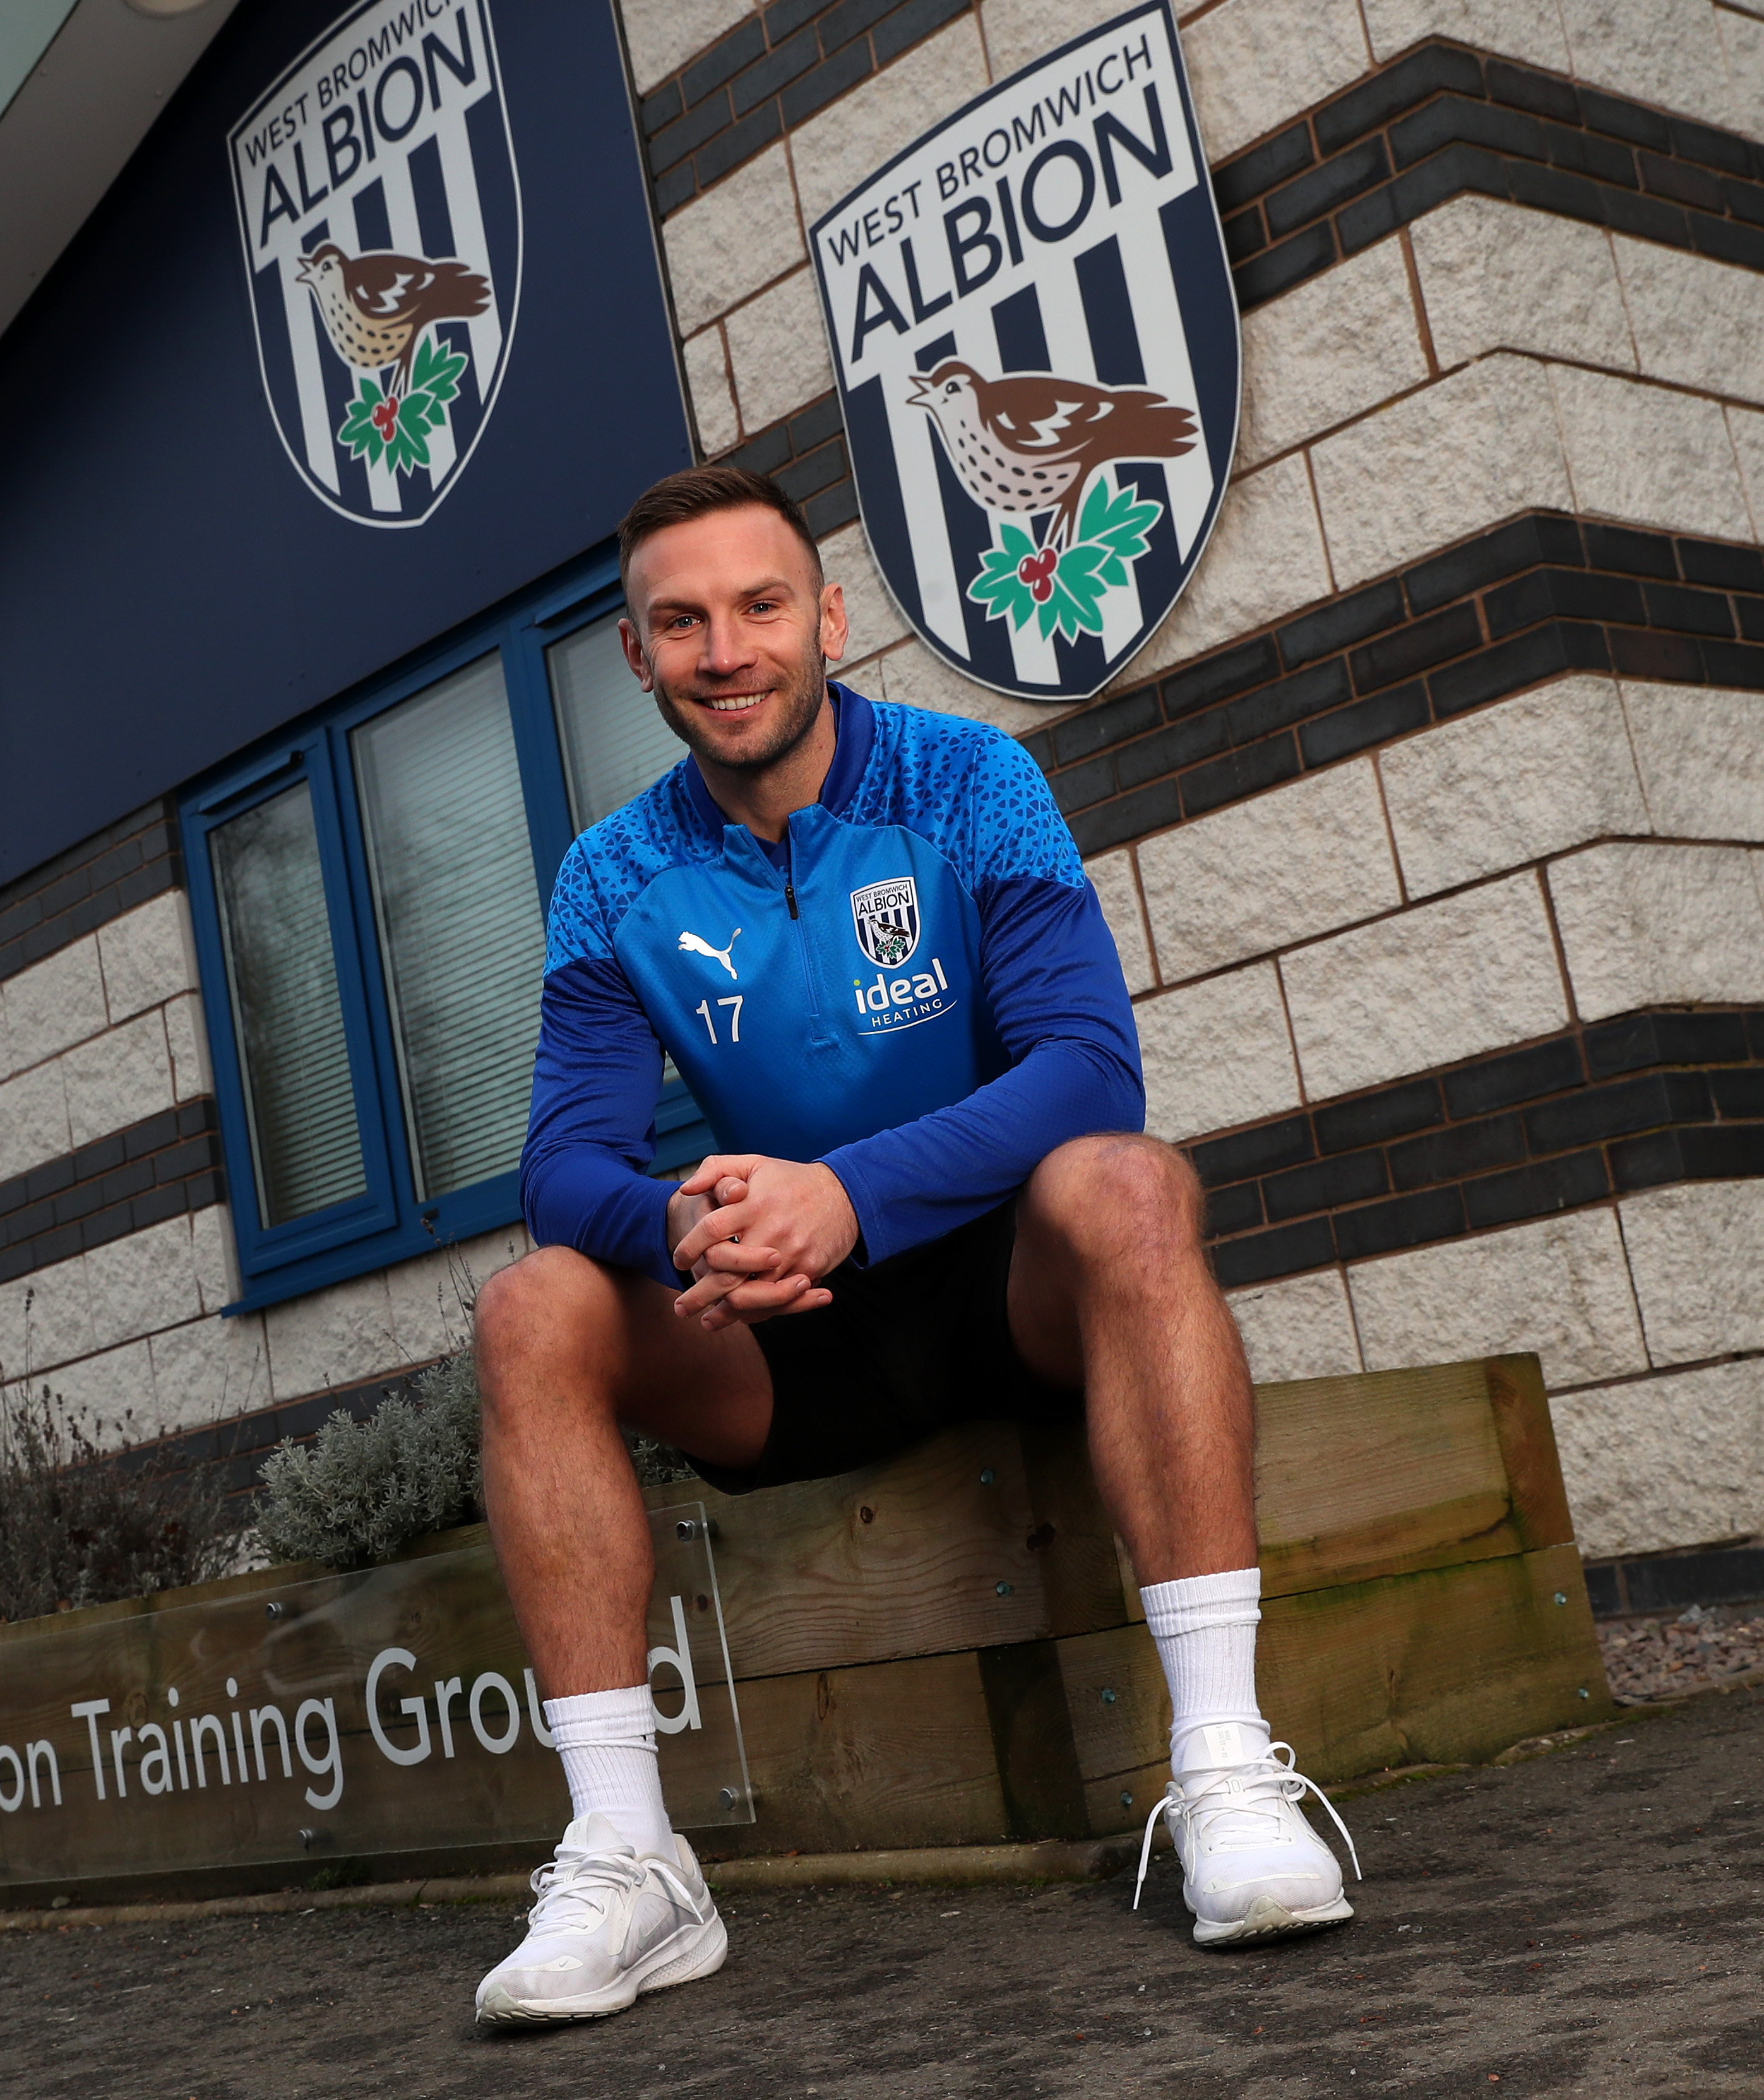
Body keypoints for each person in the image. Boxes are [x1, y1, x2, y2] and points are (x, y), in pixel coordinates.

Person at [465, 465, 1359, 2027]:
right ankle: (629, 1857)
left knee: (1131, 1183)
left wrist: (856, 1192)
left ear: (827, 616)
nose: (724, 649)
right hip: (780, 1330)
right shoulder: (610, 876)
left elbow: (1089, 1065)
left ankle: (1223, 1774)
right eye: (681, 622)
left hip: (996, 1286)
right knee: (535, 1306)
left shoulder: (969, 783)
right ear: (636, 655)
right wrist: (684, 1218)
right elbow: (561, 1170)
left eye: (757, 607)